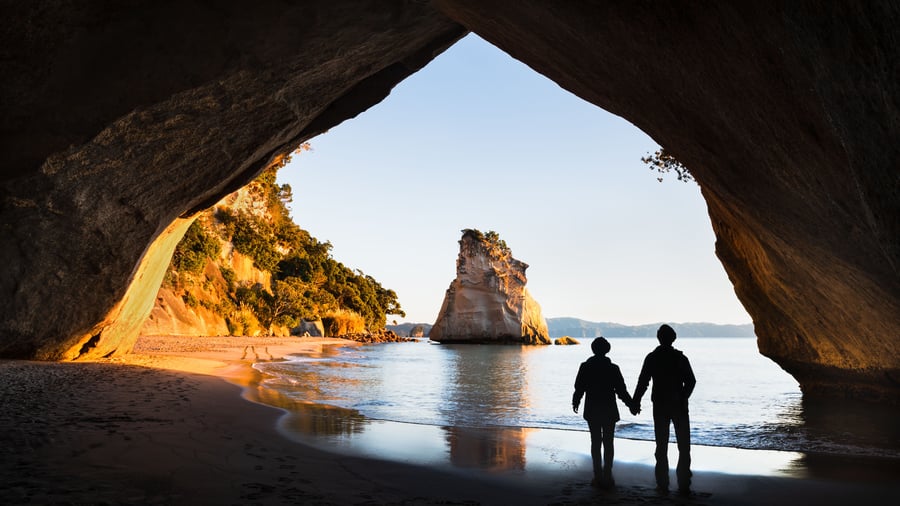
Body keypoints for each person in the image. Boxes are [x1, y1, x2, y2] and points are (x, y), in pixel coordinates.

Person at [631, 324, 696, 495]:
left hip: (659, 405)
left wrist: (635, 402)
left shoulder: (652, 358)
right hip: (679, 406)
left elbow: (643, 382)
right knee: (684, 445)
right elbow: (691, 381)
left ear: (659, 338)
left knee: (661, 445)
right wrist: (683, 397)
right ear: (673, 338)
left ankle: (662, 483)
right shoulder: (680, 358)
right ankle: (684, 482)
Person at [572, 336, 637, 488]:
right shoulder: (613, 368)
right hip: (609, 409)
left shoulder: (585, 366)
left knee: (595, 441)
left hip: (592, 408)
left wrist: (576, 401)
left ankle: (597, 475)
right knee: (608, 442)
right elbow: (621, 391)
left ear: (593, 349)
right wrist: (632, 405)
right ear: (607, 350)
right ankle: (607, 472)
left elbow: (579, 387)